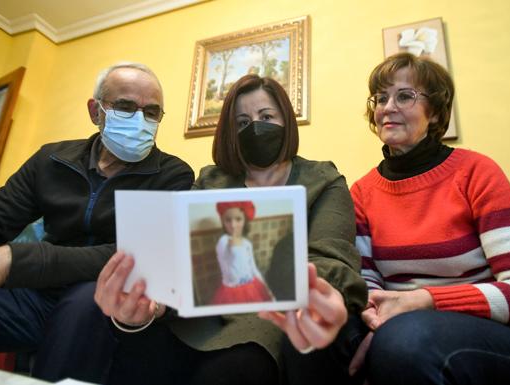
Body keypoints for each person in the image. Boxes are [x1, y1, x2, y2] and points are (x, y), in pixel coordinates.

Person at [94, 74, 368, 385]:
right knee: (136, 353)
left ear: (286, 121)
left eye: (266, 116)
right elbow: (182, 257)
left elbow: (330, 257)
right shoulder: (211, 180)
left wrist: (310, 292)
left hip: (274, 316)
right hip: (201, 319)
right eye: (241, 122)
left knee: (236, 368)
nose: (254, 127)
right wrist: (152, 304)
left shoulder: (323, 180)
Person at [0, 62, 194, 380]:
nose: (140, 120)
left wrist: (13, 260)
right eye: (125, 106)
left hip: (101, 301)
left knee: (85, 304)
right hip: (34, 297)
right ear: (96, 111)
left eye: (151, 112)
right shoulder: (51, 160)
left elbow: (132, 256)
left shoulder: (173, 175)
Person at [348, 52, 510, 384]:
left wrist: (425, 301)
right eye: (381, 98)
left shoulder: (475, 172)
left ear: (435, 113)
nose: (387, 107)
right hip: (404, 329)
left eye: (405, 96)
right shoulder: (362, 192)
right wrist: (377, 323)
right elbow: (369, 285)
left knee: (405, 341)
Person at [212, 201, 273, 305]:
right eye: (228, 220)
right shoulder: (223, 241)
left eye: (238, 219)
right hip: (232, 290)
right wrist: (231, 247)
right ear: (223, 221)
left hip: (252, 285)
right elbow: (225, 264)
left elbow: (253, 268)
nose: (233, 225)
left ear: (245, 221)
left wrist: (266, 287)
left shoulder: (246, 244)